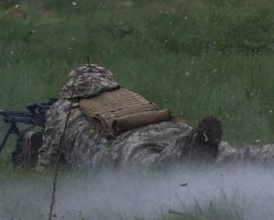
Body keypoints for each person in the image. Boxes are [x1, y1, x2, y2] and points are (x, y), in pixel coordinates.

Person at [33, 63, 274, 169]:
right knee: (227, 155)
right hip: (168, 128)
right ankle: (265, 156)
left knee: (152, 166)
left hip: (122, 143)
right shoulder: (125, 95)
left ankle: (186, 152)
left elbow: (48, 161)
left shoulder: (65, 108)